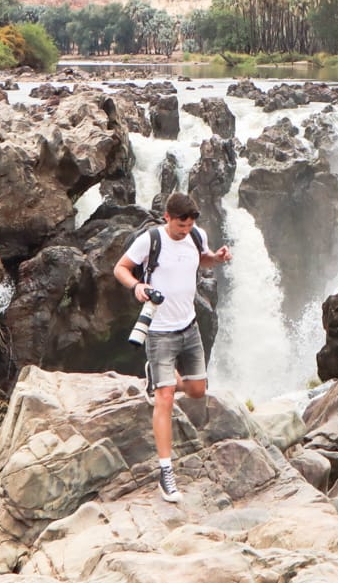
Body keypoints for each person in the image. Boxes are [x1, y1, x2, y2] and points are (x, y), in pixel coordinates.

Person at [113, 191, 231, 503]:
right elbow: (120, 268)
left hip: (189, 327)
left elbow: (201, 259)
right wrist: (137, 285)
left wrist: (216, 259)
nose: (185, 231)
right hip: (159, 330)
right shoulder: (150, 240)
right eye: (180, 226)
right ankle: (166, 472)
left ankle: (161, 377)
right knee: (164, 398)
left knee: (197, 391)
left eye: (189, 225)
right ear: (167, 217)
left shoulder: (196, 235)